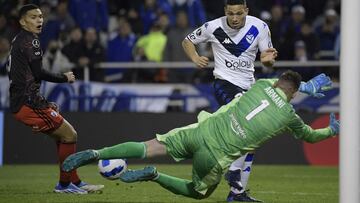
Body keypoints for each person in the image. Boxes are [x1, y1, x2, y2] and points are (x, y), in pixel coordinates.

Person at [62, 71, 339, 201]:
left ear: (278, 82)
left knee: (147, 146)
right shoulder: (290, 117)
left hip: (199, 131)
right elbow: (311, 136)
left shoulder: (261, 84)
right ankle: (154, 176)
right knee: (199, 193)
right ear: (293, 94)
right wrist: (331, 131)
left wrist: (303, 85)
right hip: (215, 155)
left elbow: (281, 83)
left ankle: (96, 153)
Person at [181, 0, 278, 201]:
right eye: (231, 14)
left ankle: (237, 193)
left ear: (246, 11)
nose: (234, 18)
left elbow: (267, 59)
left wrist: (268, 61)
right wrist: (195, 58)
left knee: (251, 140)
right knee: (245, 119)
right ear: (225, 11)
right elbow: (187, 41)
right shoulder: (213, 27)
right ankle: (233, 171)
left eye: (239, 14)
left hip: (249, 87)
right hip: (224, 83)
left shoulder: (259, 26)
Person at [6, 4, 103, 194]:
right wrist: (64, 78)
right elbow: (38, 72)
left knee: (63, 136)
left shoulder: (19, 40)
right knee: (70, 134)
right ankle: (65, 185)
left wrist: (42, 101)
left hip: (28, 101)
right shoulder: (30, 42)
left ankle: (74, 181)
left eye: (40, 16)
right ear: (22, 21)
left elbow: (27, 77)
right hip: (28, 103)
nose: (39, 20)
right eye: (33, 17)